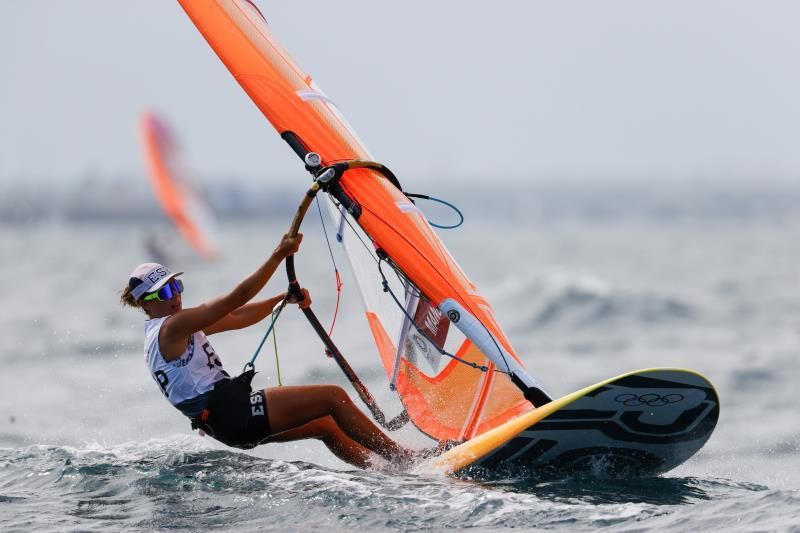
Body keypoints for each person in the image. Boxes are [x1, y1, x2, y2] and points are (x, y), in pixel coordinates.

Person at [120, 232, 417, 469]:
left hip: (224, 423)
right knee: (332, 397)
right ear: (145, 304)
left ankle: (382, 470)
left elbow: (237, 317)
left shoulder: (168, 331)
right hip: (232, 414)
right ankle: (405, 459)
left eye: (177, 286)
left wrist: (281, 299)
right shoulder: (172, 327)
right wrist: (278, 255)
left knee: (325, 425)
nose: (175, 297)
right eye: (165, 293)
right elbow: (237, 298)